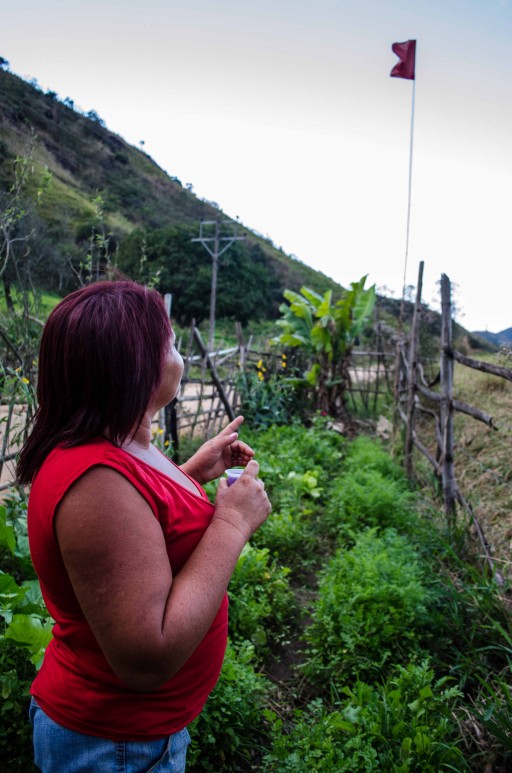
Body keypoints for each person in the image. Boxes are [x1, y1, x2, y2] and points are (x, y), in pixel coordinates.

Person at [16, 279, 271, 773]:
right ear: (134, 364)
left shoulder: (115, 446)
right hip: (113, 746)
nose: (178, 355)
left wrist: (190, 473)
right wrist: (233, 523)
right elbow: (146, 658)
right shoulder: (95, 482)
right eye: (171, 343)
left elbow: (143, 519)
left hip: (130, 739)